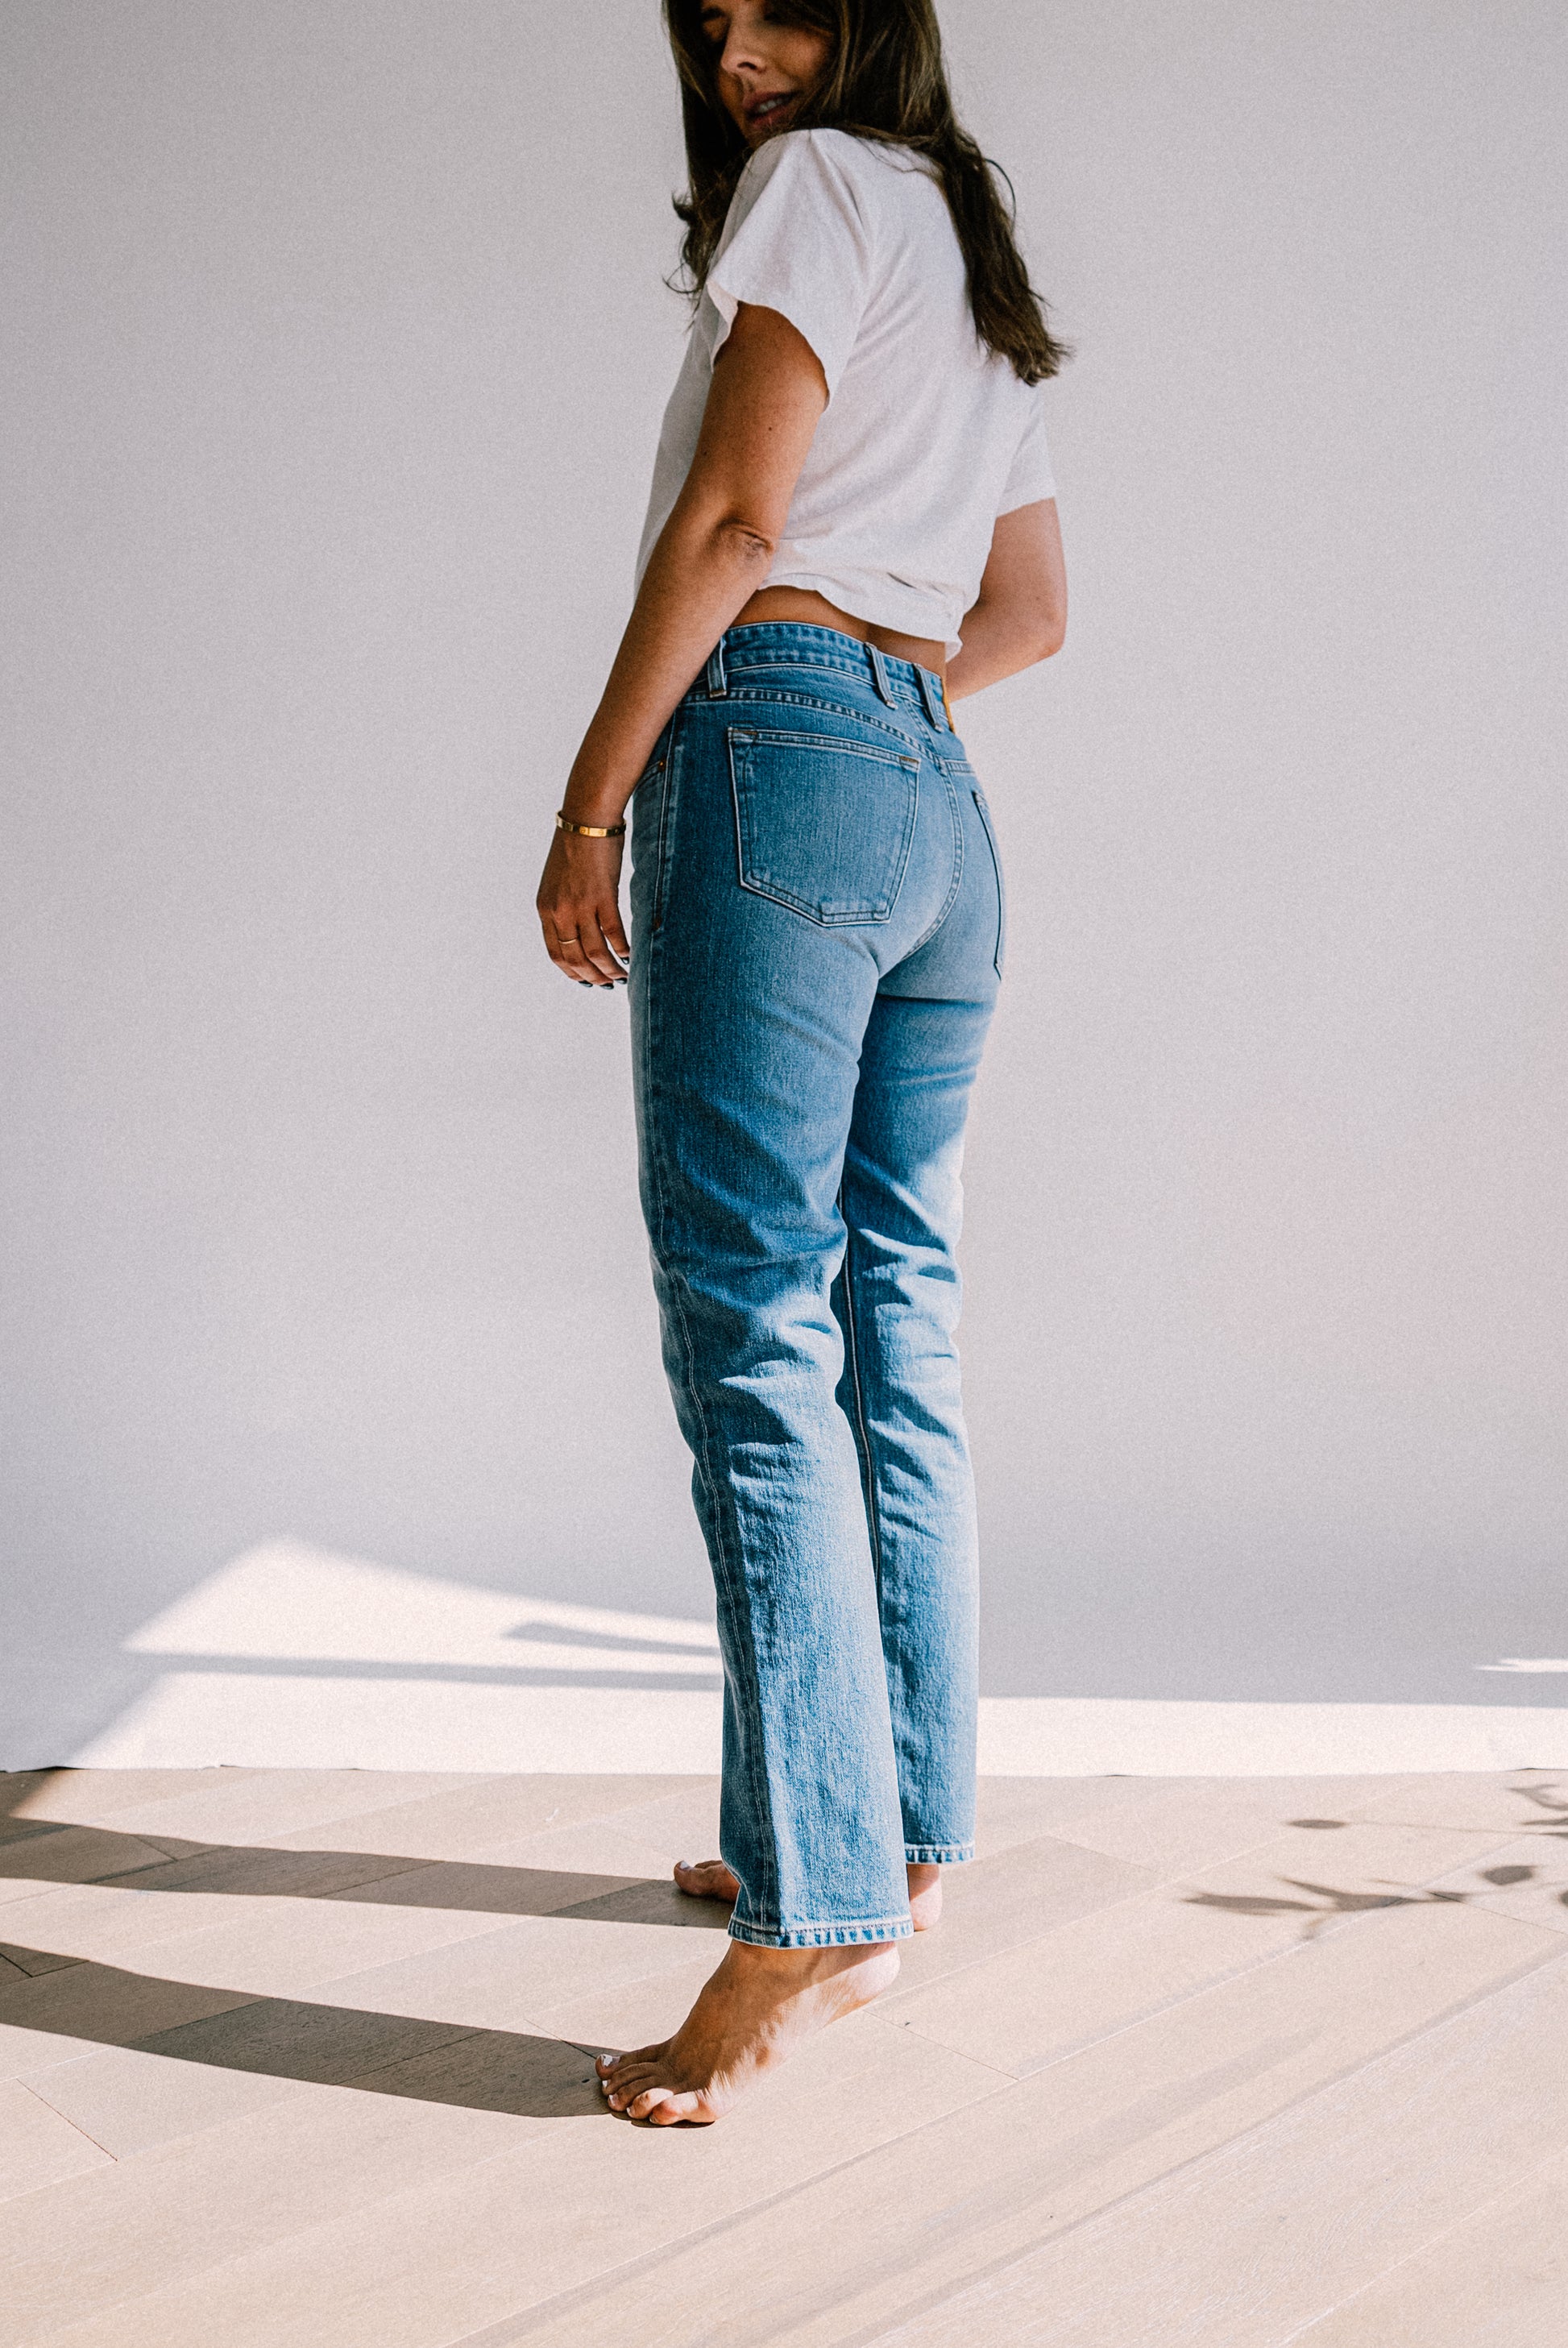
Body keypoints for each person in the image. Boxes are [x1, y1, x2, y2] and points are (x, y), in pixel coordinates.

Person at [536, 0, 1068, 2123]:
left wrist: (590, 804)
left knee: (751, 1326)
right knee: (889, 1321)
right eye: (711, 18)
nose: (745, 53)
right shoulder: (969, 246)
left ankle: (804, 1906)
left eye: (782, 5)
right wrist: (881, 705)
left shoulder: (818, 186)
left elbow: (736, 523)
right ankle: (895, 1833)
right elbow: (1025, 609)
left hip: (771, 761)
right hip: (935, 809)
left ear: (876, 18)